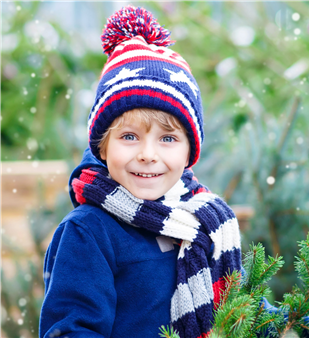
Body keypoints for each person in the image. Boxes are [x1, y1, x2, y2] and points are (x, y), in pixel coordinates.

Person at [39, 6, 241, 338]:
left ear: (190, 152)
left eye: (168, 138)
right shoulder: (89, 232)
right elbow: (73, 330)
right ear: (102, 147)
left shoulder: (202, 223)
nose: (148, 155)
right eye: (129, 137)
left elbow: (241, 308)